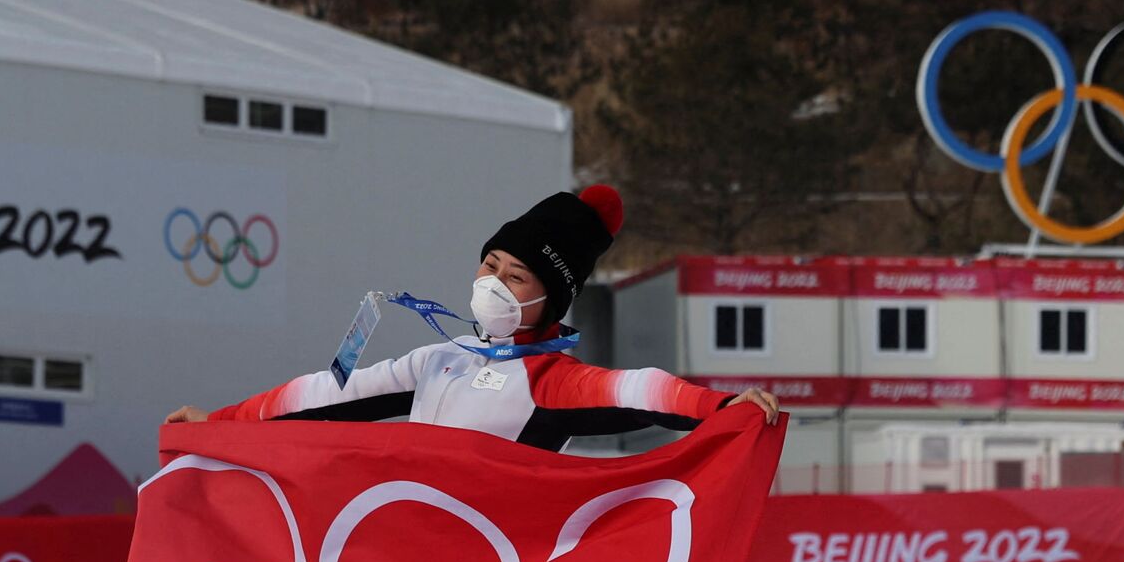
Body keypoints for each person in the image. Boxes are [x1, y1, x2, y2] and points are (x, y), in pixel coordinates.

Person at [166, 185, 779, 448]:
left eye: (515, 276)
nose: (492, 283)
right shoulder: (438, 359)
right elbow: (324, 394)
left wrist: (721, 406)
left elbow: (640, 388)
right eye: (490, 264)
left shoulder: (552, 380)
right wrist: (219, 424)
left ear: (551, 298)